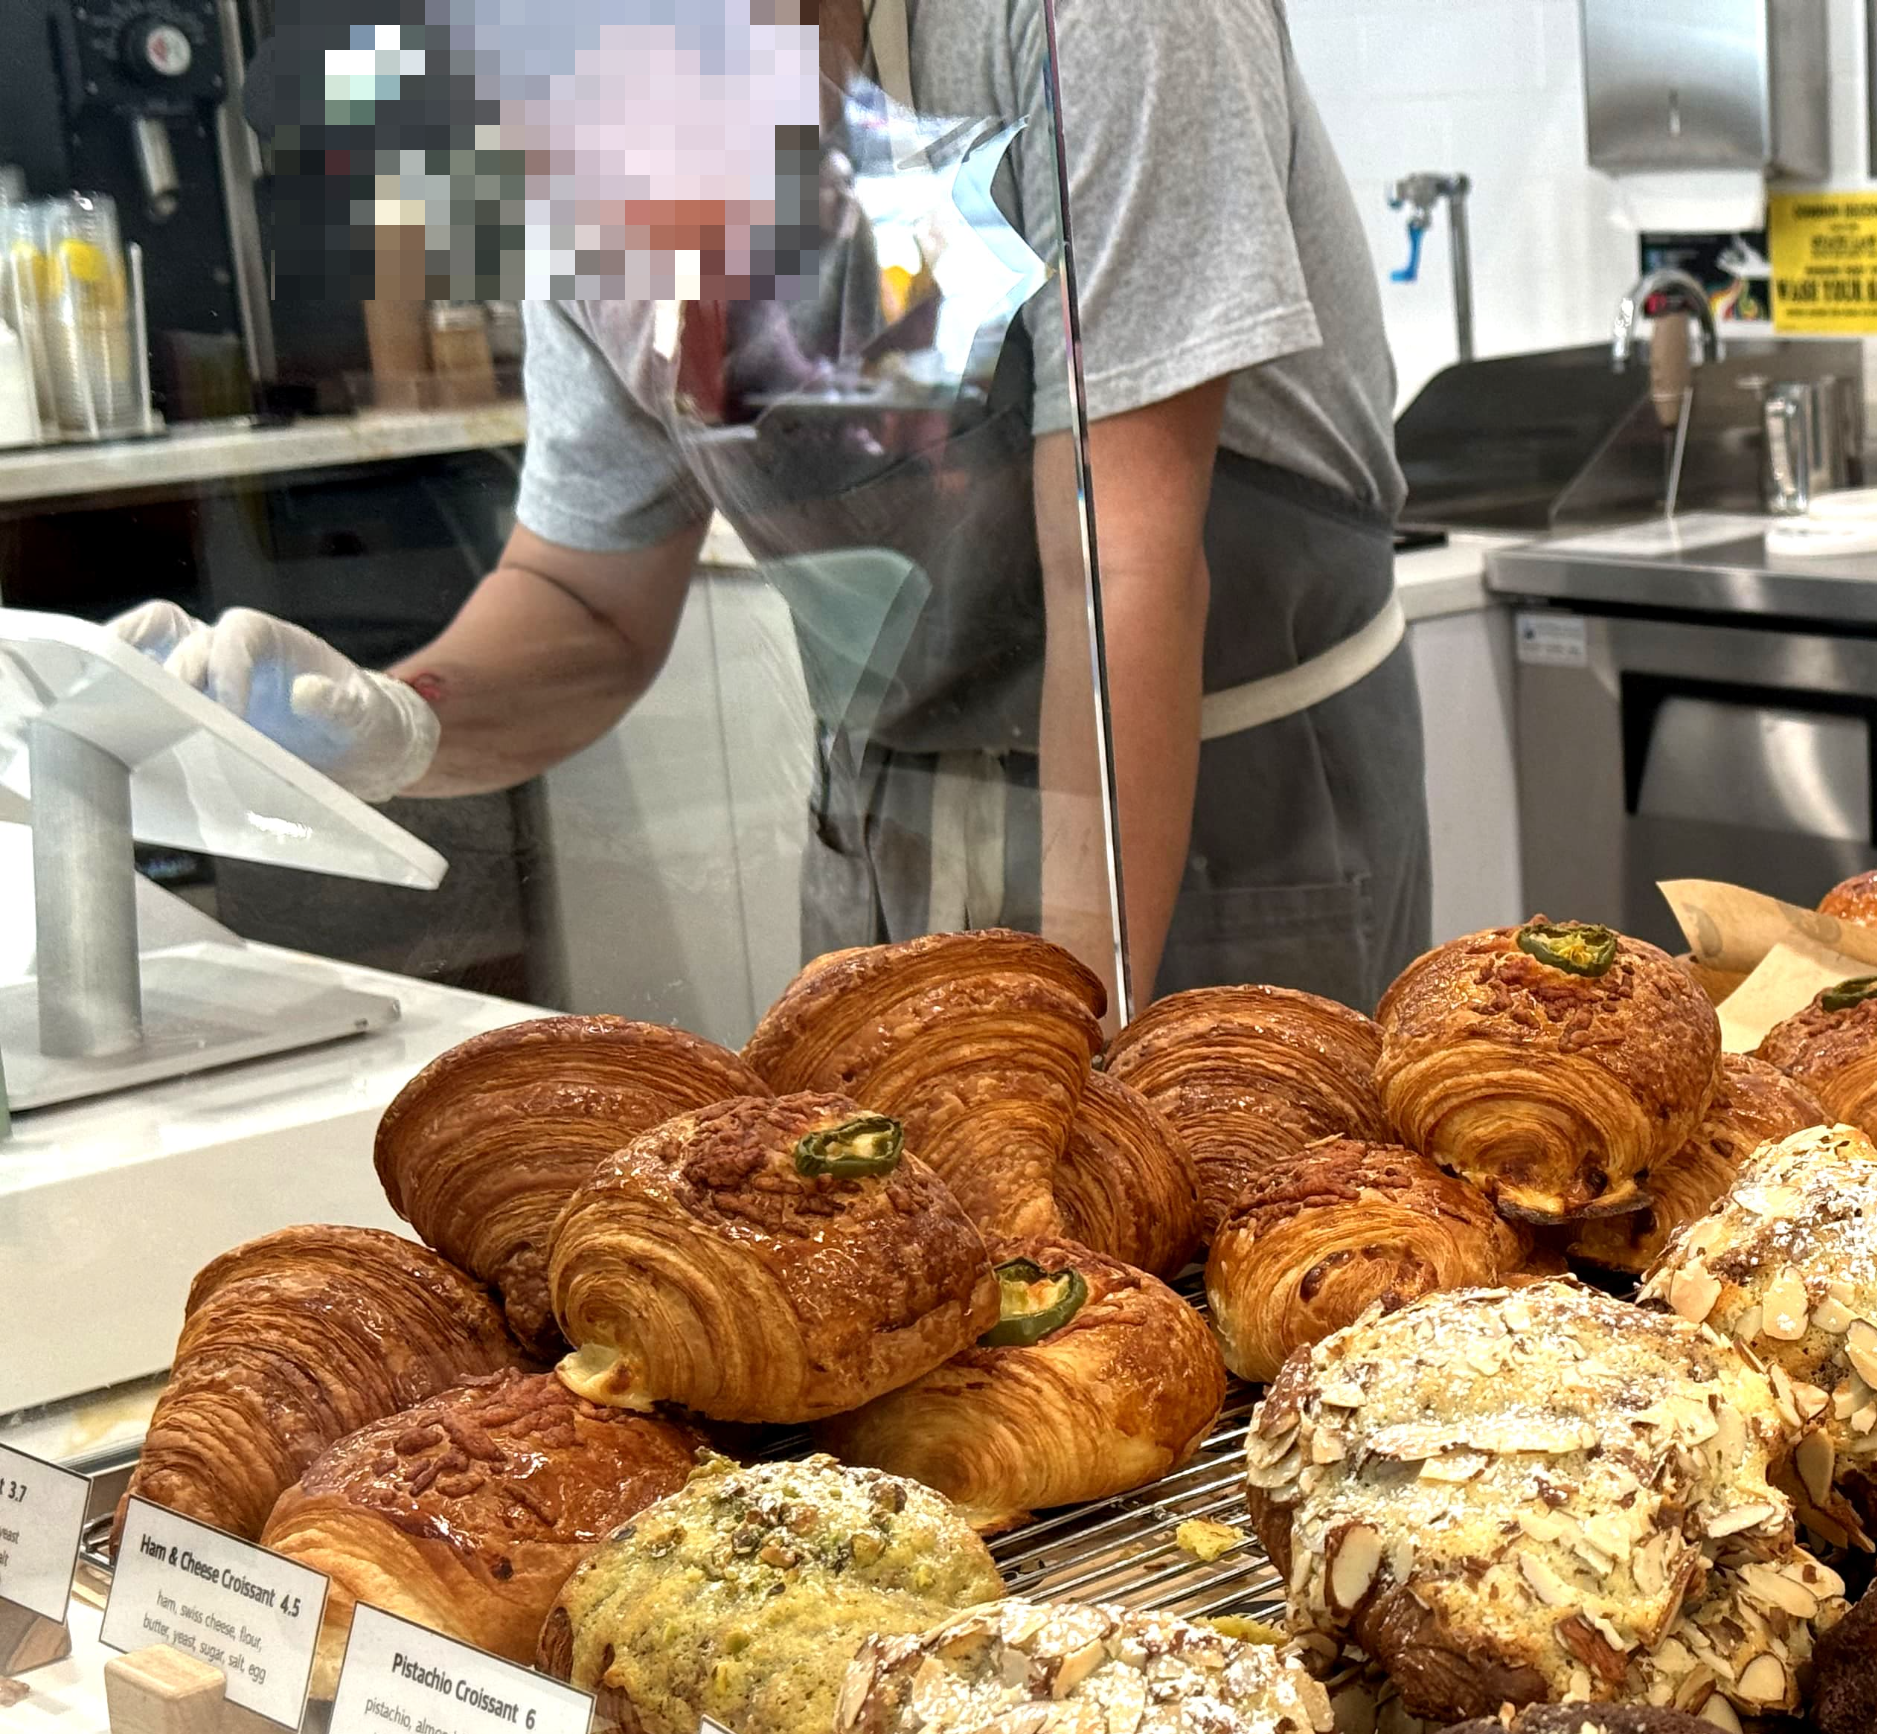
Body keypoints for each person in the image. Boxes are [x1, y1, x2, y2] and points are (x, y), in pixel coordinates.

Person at [121, 0, 1427, 1015]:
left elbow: (1120, 568)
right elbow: (586, 601)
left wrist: (1064, 1064)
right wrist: (397, 724)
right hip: (889, 869)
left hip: (1226, 835)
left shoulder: (1074, 29)